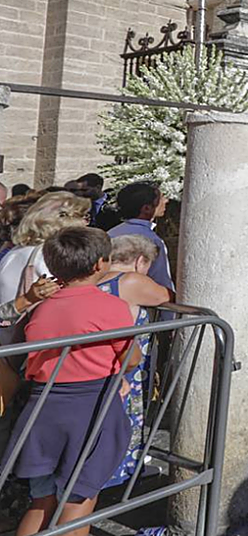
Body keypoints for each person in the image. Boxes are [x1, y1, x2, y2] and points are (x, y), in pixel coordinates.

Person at [4, 227, 140, 536]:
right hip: (89, 408)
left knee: (41, 502)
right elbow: (131, 358)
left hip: (42, 411)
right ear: (100, 265)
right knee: (77, 503)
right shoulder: (111, 307)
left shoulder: (39, 308)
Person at [97, 236, 171, 488]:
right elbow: (168, 295)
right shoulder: (130, 280)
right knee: (127, 416)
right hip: (127, 359)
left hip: (103, 359)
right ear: (140, 261)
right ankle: (121, 471)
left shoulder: (98, 277)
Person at [0, 192, 91, 345]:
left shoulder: (17, 250)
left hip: (7, 338)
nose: (87, 223)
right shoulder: (46, 255)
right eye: (84, 217)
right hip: (23, 343)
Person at [107, 182, 174, 294]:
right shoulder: (152, 240)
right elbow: (161, 278)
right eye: (161, 198)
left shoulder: (110, 233)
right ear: (147, 208)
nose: (166, 201)